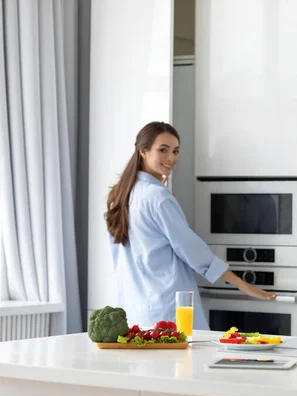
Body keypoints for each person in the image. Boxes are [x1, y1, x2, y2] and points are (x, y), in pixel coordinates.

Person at [106, 121, 276, 329]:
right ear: (143, 151)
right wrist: (243, 284)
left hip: (135, 310)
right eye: (163, 150)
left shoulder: (121, 195)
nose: (171, 158)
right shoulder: (158, 198)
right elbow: (193, 251)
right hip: (167, 312)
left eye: (175, 151)